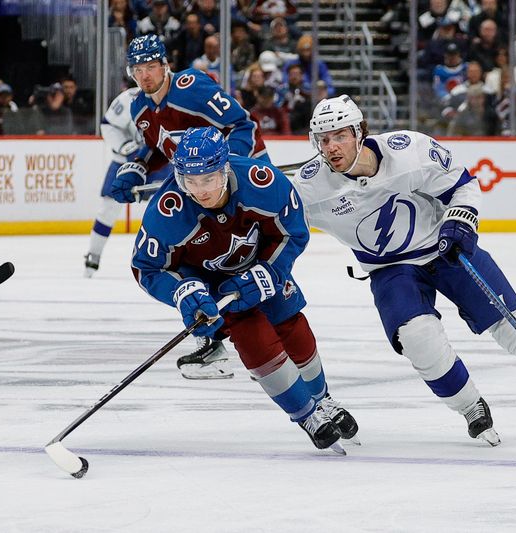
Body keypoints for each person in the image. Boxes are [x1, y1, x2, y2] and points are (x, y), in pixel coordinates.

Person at [292, 95, 516, 446]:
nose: (331, 146)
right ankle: (470, 407)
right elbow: (277, 223)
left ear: (360, 132)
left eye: (340, 135)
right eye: (324, 139)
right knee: (418, 338)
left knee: (514, 323)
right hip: (391, 269)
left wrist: (460, 222)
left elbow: (462, 185)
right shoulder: (310, 188)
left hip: (445, 250)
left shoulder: (409, 151)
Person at [131, 126, 358, 451]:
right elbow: (147, 267)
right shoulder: (167, 211)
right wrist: (183, 292)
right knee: (254, 340)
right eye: (190, 181)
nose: (200, 191)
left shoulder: (261, 181)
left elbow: (293, 231)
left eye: (207, 179)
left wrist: (272, 270)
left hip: (263, 264)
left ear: (224, 169)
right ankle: (307, 415)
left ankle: (324, 399)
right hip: (214, 286)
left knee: (289, 322)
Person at [109, 34, 269, 377]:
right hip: (199, 191)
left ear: (165, 64)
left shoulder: (191, 87)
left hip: (242, 184)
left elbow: (241, 124)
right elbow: (161, 147)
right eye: (139, 69)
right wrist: (138, 165)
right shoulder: (140, 108)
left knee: (244, 262)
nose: (146, 75)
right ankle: (212, 338)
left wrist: (230, 172)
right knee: (188, 257)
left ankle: (262, 341)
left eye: (152, 66)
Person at [82, 87, 173, 278]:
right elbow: (108, 125)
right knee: (108, 208)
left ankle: (174, 259)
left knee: (172, 208)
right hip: (125, 161)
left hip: (160, 160)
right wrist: (124, 145)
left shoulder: (173, 96)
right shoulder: (127, 98)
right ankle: (94, 256)